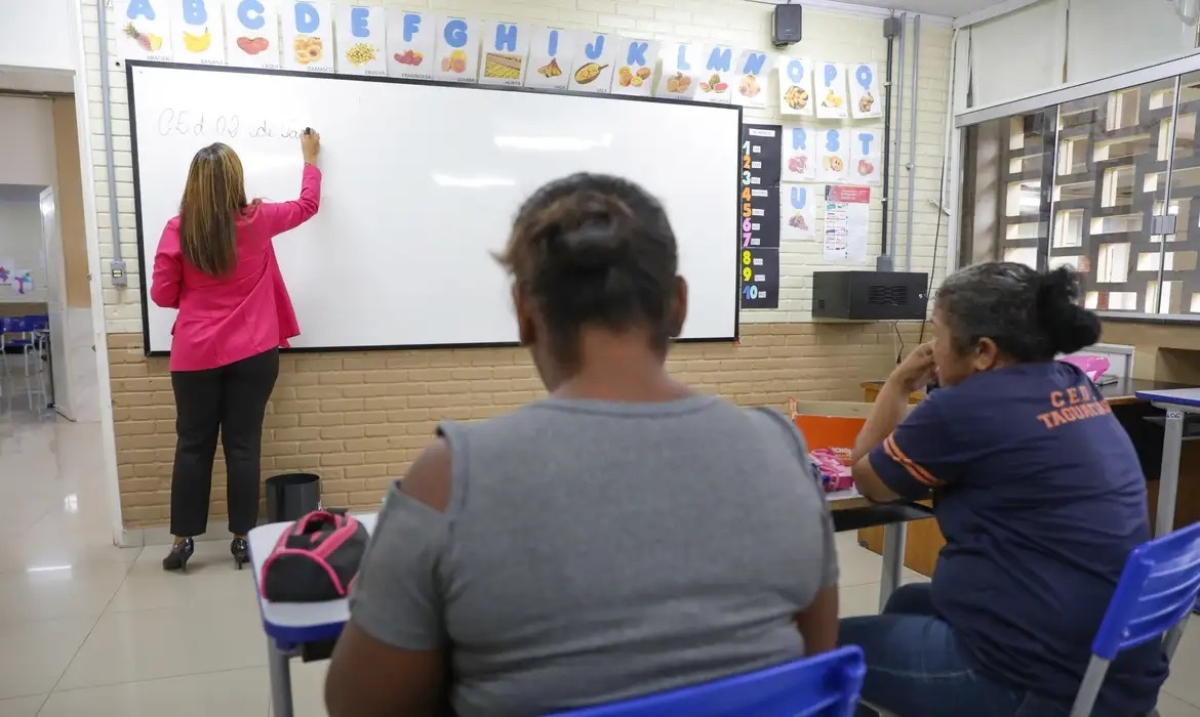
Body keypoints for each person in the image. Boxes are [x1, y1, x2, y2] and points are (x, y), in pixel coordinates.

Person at [324, 173, 840, 717]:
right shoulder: (782, 450)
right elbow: (814, 664)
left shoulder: (450, 479)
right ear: (679, 305)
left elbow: (358, 706)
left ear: (525, 312)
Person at [839, 262, 1168, 717]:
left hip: (1032, 681)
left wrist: (898, 382)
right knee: (908, 602)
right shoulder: (1075, 384)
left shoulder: (964, 408)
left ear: (983, 352)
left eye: (938, 333)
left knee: (814, 650)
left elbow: (868, 480)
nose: (932, 347)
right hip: (1112, 664)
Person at [150, 132, 322, 572]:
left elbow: (162, 293)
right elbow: (307, 206)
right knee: (243, 446)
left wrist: (198, 299)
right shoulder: (258, 220)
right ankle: (243, 539)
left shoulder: (177, 229)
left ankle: (182, 541)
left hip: (194, 356)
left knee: (192, 446)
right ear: (235, 180)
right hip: (254, 353)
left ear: (194, 184)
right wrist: (310, 159)